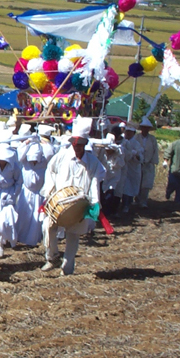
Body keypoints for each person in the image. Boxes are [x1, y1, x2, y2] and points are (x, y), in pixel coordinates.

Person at [41, 117, 105, 275]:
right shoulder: (62, 156)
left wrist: (95, 202)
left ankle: (67, 269)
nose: (76, 147)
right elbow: (50, 171)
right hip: (60, 201)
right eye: (74, 144)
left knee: (73, 236)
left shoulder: (92, 162)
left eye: (80, 144)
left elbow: (96, 181)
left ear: (84, 144)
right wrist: (49, 192)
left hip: (79, 204)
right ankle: (52, 256)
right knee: (47, 226)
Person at [0, 145, 22, 258]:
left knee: (2, 222)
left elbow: (19, 182)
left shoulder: (14, 167)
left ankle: (1, 244)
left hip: (8, 194)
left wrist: (13, 195)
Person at [15, 142, 48, 247]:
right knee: (24, 215)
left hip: (39, 193)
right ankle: (20, 237)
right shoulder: (25, 162)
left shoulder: (44, 163)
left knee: (36, 218)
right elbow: (20, 153)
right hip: (26, 193)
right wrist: (27, 142)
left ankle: (33, 239)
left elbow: (50, 152)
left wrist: (44, 142)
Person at [135, 117, 159, 208]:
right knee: (137, 181)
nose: (145, 129)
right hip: (137, 163)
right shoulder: (136, 137)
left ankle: (143, 200)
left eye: (147, 128)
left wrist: (153, 161)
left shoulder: (152, 139)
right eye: (143, 127)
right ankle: (136, 199)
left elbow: (155, 151)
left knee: (146, 183)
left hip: (148, 163)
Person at [120, 123, 144, 213]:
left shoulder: (136, 144)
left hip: (133, 169)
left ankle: (127, 204)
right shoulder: (122, 141)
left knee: (130, 189)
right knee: (123, 188)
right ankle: (122, 204)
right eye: (127, 132)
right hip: (123, 168)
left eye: (130, 132)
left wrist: (135, 155)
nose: (128, 134)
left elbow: (141, 158)